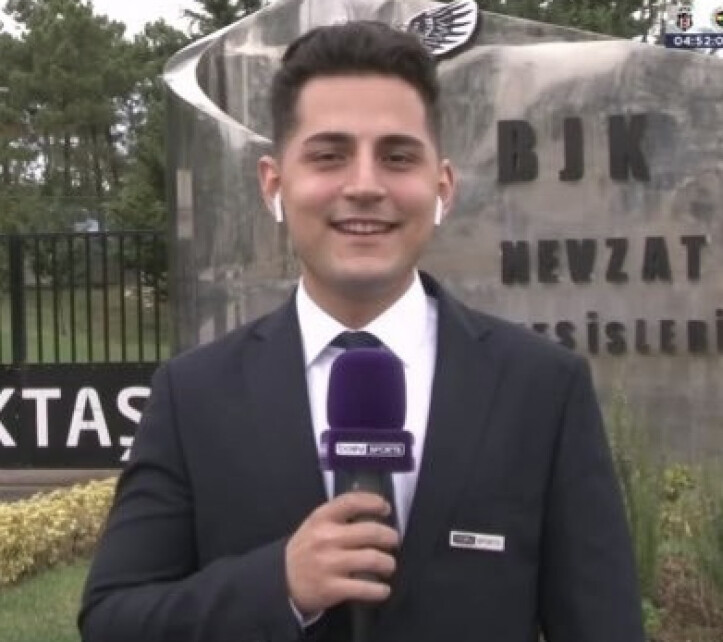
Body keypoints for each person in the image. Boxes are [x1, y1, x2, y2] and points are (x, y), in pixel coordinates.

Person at [79, 20, 645, 642]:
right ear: (274, 184)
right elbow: (113, 619)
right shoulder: (193, 395)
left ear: (442, 187)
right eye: (329, 155)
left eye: (398, 157)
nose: (366, 186)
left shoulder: (543, 389)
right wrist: (279, 585)